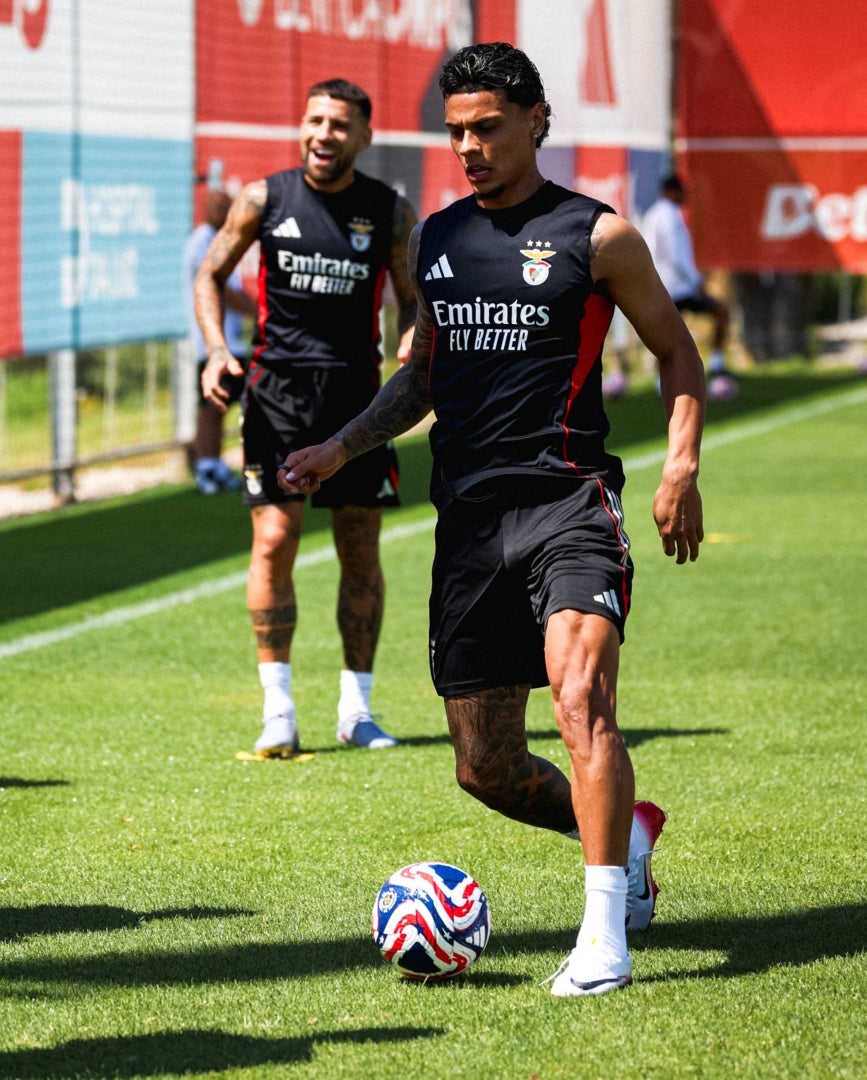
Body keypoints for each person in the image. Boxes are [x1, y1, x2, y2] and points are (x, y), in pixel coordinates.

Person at [278, 42, 706, 999]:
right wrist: (341, 447)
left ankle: (603, 938)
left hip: (570, 503)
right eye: (456, 130)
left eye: (486, 128)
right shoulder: (436, 238)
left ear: (536, 123)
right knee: (485, 766)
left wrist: (680, 467)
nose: (468, 146)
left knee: (580, 695)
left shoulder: (601, 238)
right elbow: (424, 372)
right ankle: (622, 833)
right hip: (469, 524)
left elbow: (679, 354)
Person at [194, 79, 419, 758]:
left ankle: (357, 709)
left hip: (358, 403)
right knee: (273, 541)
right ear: (302, 126)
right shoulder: (264, 199)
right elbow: (208, 275)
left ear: (363, 138)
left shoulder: (390, 211)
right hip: (276, 398)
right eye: (316, 120)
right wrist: (214, 351)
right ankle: (279, 712)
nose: (325, 133)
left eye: (340, 124)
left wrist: (412, 337)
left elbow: (413, 299)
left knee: (359, 548)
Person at [183, 187, 252, 494]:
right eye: (218, 206)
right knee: (213, 406)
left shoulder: (224, 239)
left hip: (231, 343)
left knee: (226, 405)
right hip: (215, 344)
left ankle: (215, 465)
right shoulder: (202, 242)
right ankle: (207, 468)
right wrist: (262, 310)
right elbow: (221, 289)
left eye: (227, 205)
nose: (223, 211)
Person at [638, 172, 731, 374]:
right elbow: (676, 256)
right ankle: (716, 364)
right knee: (720, 312)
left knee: (664, 336)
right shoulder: (669, 216)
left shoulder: (653, 214)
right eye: (682, 191)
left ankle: (661, 380)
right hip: (678, 288)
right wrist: (696, 282)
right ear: (672, 192)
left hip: (663, 287)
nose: (685, 196)